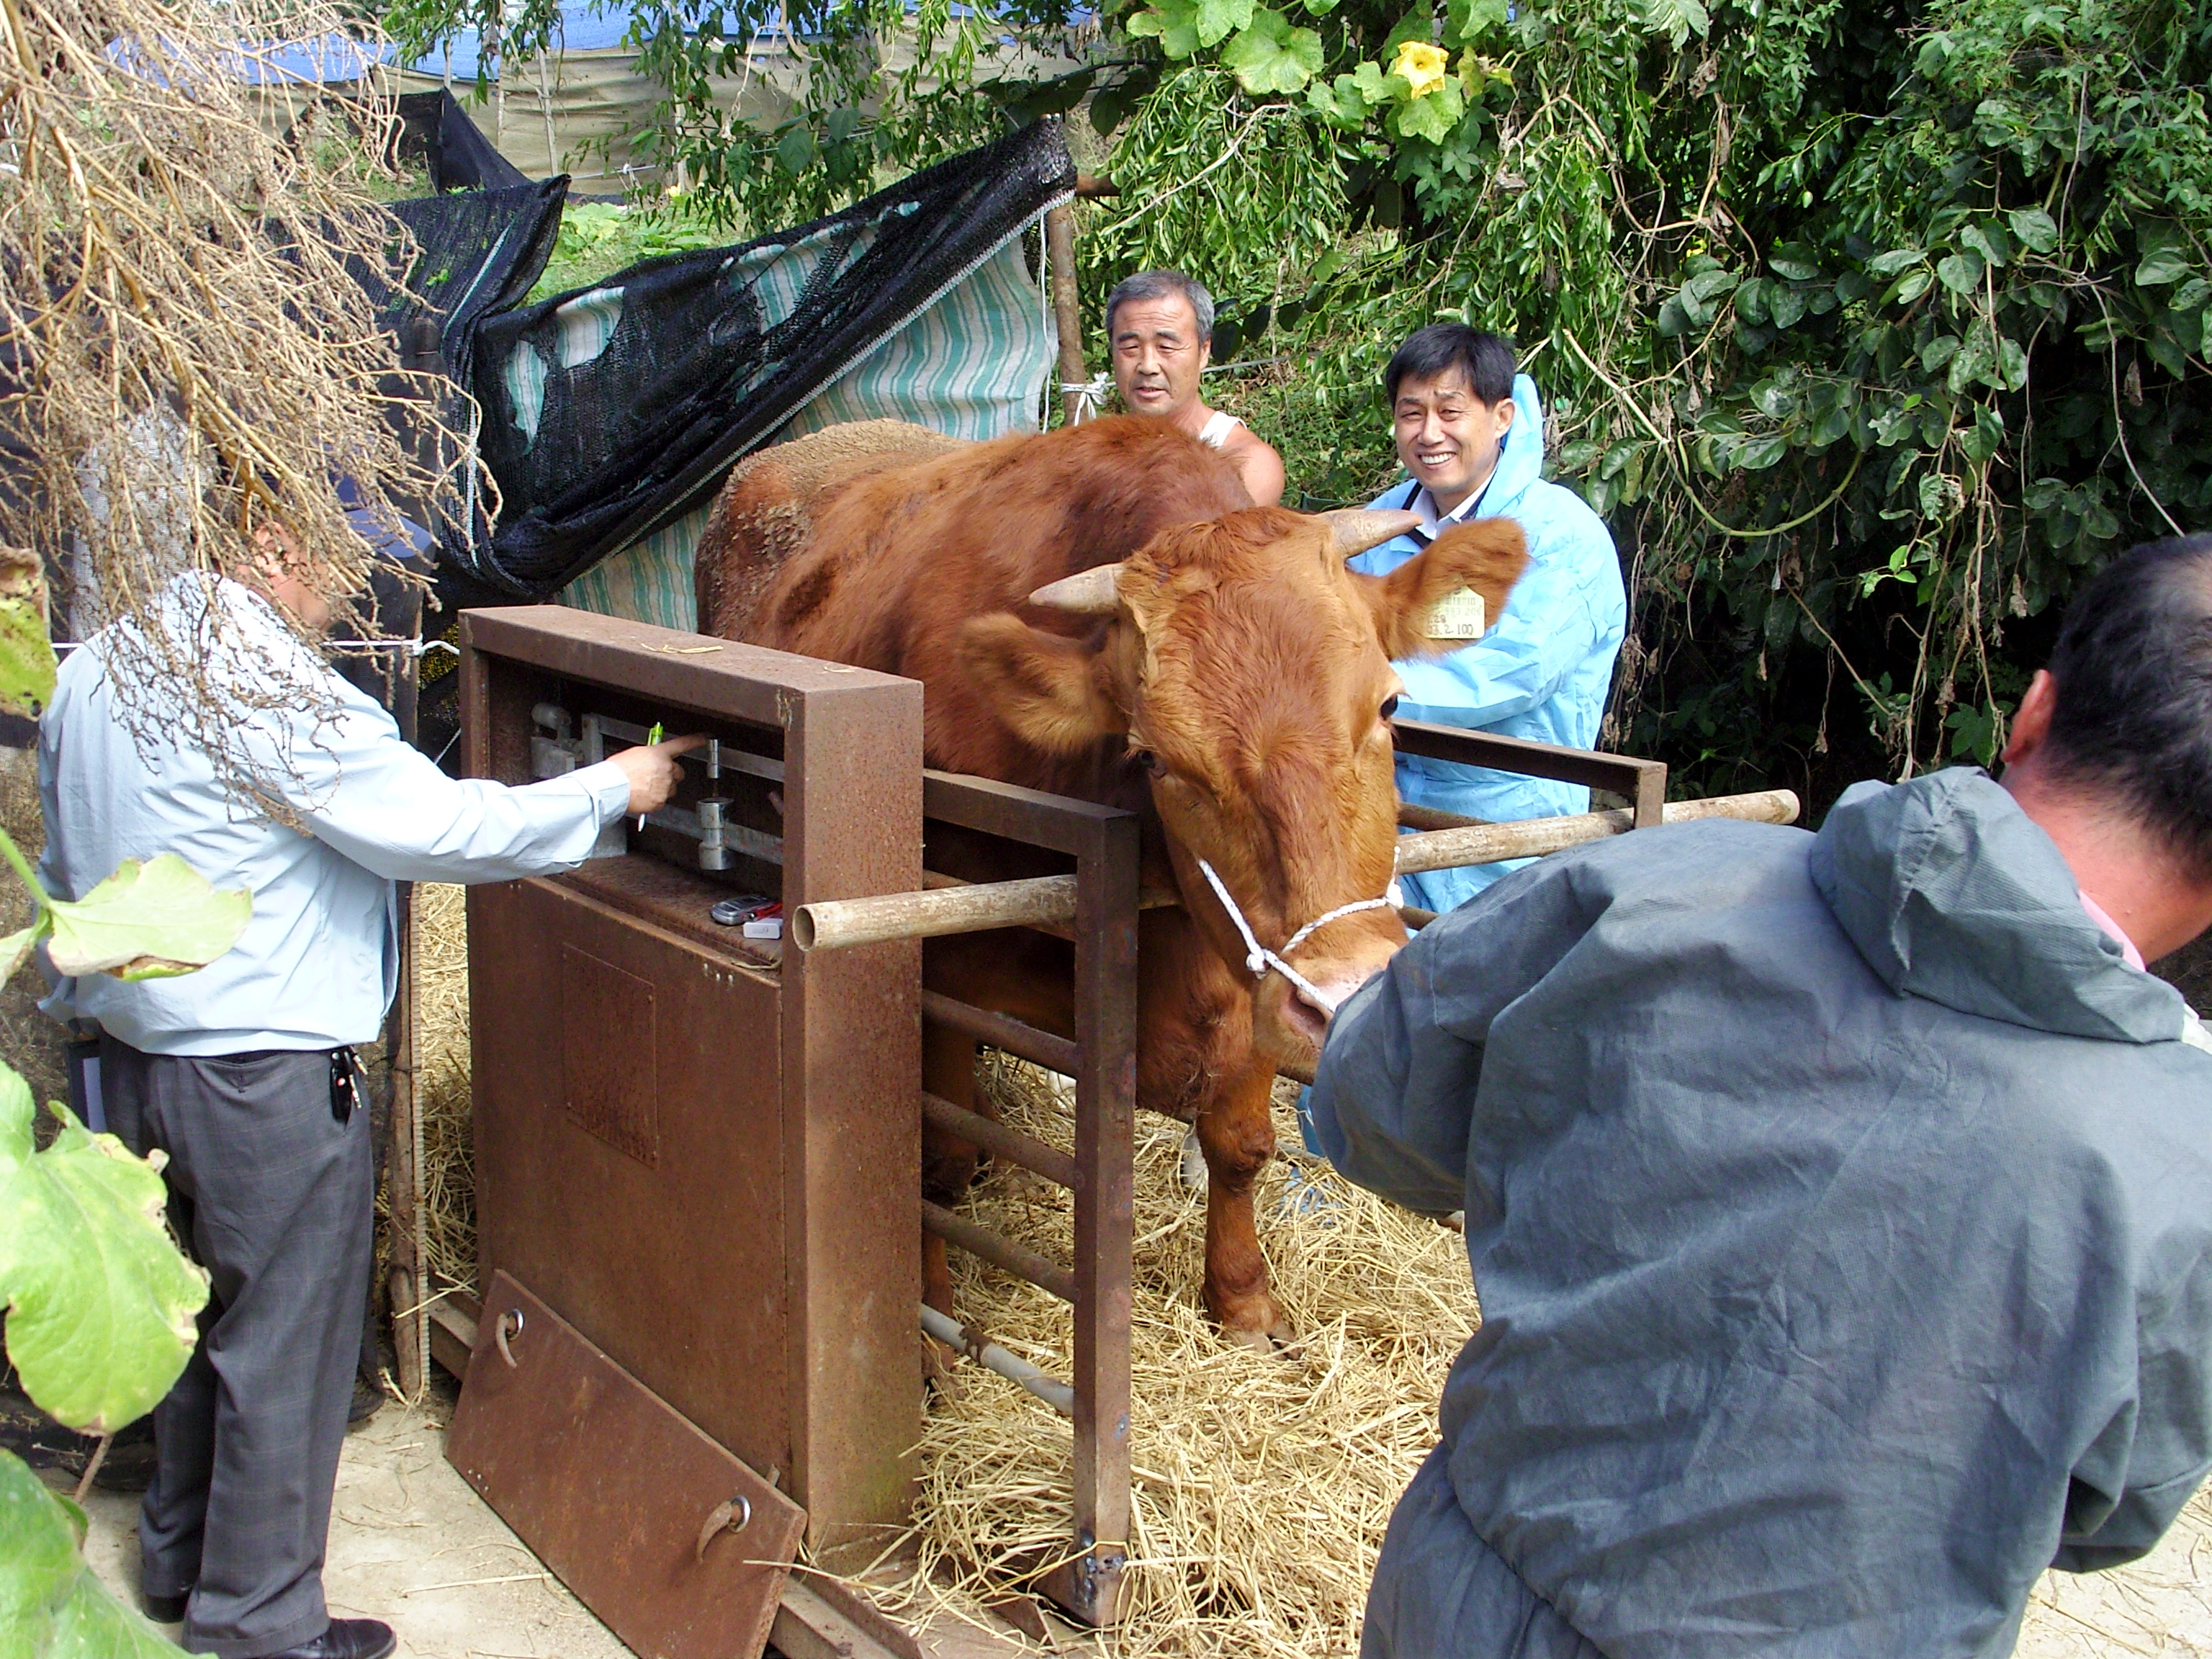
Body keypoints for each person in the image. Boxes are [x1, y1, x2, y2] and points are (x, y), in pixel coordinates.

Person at [1308, 531, 2212, 1658]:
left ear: (2032, 712)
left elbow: (1373, 1114)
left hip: (1468, 1598)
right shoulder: (2183, 1164)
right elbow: (2106, 1513)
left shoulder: (1642, 888)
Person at [39, 525, 699, 1659]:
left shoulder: (99, 662)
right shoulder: (258, 680)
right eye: (343, 548)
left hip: (135, 1062)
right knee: (282, 1350)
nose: (354, 578)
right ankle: (259, 1626)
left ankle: (181, 1562)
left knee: (182, 1321)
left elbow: (62, 864)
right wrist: (611, 789)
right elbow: (434, 830)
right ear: (270, 535)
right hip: (264, 1071)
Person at [1351, 325, 1626, 911]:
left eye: (1451, 411)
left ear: (1501, 416)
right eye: (1410, 413)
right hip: (1384, 821)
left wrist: (1352, 690)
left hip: (1508, 835)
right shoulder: (1375, 524)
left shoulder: (1559, 535)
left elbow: (1514, 673)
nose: (1429, 434)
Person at [1106, 269, 1285, 507]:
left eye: (1166, 347)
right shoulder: (1100, 455)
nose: (1148, 366)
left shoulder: (1247, 465)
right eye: (1130, 347)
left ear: (1204, 352)